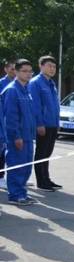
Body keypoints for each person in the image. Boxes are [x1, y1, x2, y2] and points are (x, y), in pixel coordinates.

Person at [2, 59, 37, 206]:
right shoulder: (12, 90)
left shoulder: (26, 90)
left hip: (28, 136)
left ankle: (22, 193)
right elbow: (10, 117)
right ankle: (15, 195)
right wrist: (16, 136)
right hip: (17, 137)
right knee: (17, 165)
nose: (28, 74)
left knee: (26, 166)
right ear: (15, 72)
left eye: (30, 71)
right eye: (24, 71)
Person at [28, 55, 61, 192]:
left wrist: (57, 122)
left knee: (47, 153)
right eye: (49, 66)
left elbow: (55, 105)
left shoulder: (51, 83)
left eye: (54, 67)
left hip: (52, 124)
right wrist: (39, 123)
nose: (52, 69)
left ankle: (46, 178)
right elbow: (35, 106)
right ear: (41, 66)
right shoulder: (35, 83)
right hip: (43, 124)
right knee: (41, 153)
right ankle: (41, 182)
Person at [0, 59, 17, 190]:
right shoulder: (2, 84)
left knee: (13, 152)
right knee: (2, 152)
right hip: (3, 122)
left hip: (13, 123)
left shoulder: (20, 84)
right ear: (5, 69)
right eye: (11, 68)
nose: (13, 71)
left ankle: (15, 176)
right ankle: (1, 177)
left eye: (15, 68)